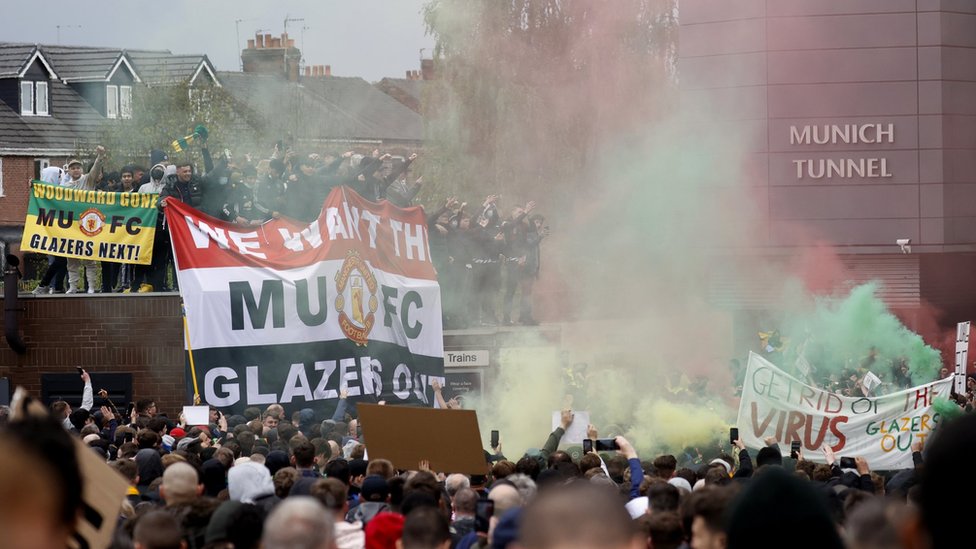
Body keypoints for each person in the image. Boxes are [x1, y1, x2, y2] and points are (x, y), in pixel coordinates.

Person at [62, 147, 106, 293]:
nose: (75, 170)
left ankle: (92, 287)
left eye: (78, 167)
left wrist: (99, 156)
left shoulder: (88, 180)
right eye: (72, 168)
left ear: (81, 170)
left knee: (89, 258)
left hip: (88, 224)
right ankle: (73, 287)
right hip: (72, 225)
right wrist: (34, 186)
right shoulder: (65, 186)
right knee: (71, 259)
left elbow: (95, 169)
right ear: (68, 171)